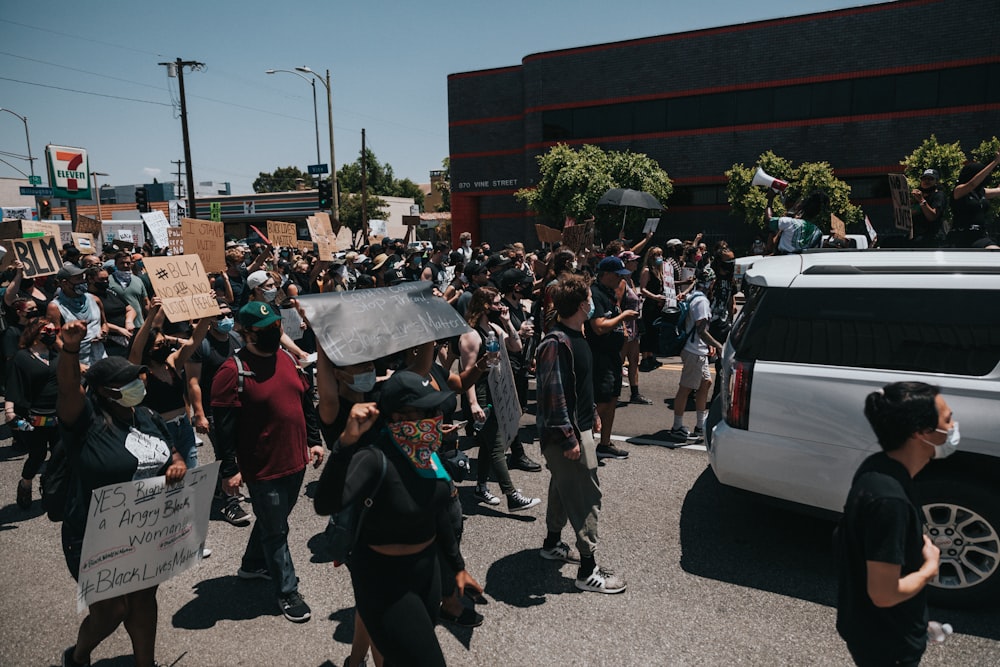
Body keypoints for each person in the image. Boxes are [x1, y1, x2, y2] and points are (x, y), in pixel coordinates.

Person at [314, 371, 484, 667]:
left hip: (426, 574)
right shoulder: (373, 458)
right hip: (384, 581)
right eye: (426, 412)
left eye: (434, 411)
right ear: (397, 417)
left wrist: (457, 567)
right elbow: (325, 502)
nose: (435, 418)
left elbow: (439, 514)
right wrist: (345, 442)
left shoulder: (425, 454)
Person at [56, 323, 187, 667]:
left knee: (143, 599)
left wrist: (177, 465)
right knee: (111, 609)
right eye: (127, 381)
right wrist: (70, 349)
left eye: (138, 377)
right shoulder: (84, 422)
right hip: (92, 534)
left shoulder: (146, 416)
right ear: (104, 391)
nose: (138, 384)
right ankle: (79, 655)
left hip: (142, 529)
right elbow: (69, 389)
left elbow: (169, 451)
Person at [211, 301, 325, 623]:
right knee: (277, 529)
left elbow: (305, 401)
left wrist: (314, 440)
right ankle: (287, 592)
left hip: (296, 461)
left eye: (276, 327)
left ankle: (252, 565)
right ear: (245, 333)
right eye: (265, 331)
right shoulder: (231, 372)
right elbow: (224, 430)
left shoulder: (287, 358)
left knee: (272, 519)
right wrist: (230, 470)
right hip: (262, 469)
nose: (274, 334)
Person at [836, 381, 953, 666]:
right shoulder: (890, 501)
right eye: (947, 420)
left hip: (873, 626)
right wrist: (929, 569)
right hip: (889, 644)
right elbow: (885, 594)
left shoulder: (879, 467)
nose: (953, 428)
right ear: (920, 433)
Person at [535, 273, 626, 594]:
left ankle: (551, 543)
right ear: (579, 305)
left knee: (562, 488)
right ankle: (588, 571)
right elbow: (554, 396)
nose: (593, 302)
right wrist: (570, 437)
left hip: (579, 428)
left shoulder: (577, 335)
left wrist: (593, 421)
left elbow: (579, 387)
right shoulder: (555, 343)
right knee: (588, 498)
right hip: (567, 436)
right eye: (588, 298)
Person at [460, 287, 541, 511]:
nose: (501, 306)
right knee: (496, 445)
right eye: (497, 303)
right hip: (483, 393)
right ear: (485, 306)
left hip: (500, 390)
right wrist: (474, 404)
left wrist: (507, 322)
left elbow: (517, 346)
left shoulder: (494, 327)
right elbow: (466, 374)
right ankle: (511, 495)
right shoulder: (471, 335)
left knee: (488, 444)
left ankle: (481, 487)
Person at [186, 299, 252, 526]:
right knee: (227, 454)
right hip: (214, 411)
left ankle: (216, 487)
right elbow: (193, 382)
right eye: (220, 316)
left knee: (237, 450)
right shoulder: (200, 345)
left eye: (228, 314)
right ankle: (229, 503)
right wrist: (199, 414)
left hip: (238, 407)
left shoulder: (235, 338)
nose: (226, 319)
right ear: (210, 320)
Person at [585, 256, 638, 461]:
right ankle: (585, 441)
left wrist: (622, 327)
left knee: (613, 398)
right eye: (617, 275)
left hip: (613, 356)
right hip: (599, 356)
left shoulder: (610, 293)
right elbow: (598, 326)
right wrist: (623, 317)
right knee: (602, 402)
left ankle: (604, 444)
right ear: (605, 274)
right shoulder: (595, 294)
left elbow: (613, 319)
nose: (620, 279)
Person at [6, 317, 60, 509]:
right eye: (48, 330)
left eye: (56, 330)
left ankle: (50, 486)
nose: (52, 334)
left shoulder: (56, 355)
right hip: (33, 416)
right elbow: (13, 385)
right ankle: (26, 483)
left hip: (58, 415)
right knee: (38, 454)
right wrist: (10, 411)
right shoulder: (21, 358)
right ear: (36, 332)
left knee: (59, 453)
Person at [666, 272, 723, 443]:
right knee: (686, 388)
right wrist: (719, 346)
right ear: (710, 283)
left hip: (697, 349)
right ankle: (677, 427)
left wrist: (710, 345)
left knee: (705, 383)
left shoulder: (694, 296)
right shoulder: (702, 302)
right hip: (694, 351)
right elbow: (701, 331)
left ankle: (700, 425)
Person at [47, 264, 108, 368]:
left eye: (82, 278)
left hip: (100, 358)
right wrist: (74, 361)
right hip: (77, 362)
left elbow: (104, 323)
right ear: (65, 283)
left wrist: (104, 332)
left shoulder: (95, 300)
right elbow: (55, 339)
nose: (83, 282)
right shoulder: (55, 307)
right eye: (78, 279)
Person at [618, 251, 651, 405]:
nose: (636, 263)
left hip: (634, 327)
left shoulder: (630, 280)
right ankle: (613, 393)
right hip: (625, 328)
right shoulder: (621, 282)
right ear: (625, 263)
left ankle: (635, 393)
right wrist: (623, 326)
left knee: (634, 361)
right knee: (619, 362)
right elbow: (617, 306)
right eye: (633, 261)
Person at [949, 150, 1000, 247]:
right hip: (961, 237)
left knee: (994, 251)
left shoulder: (981, 192)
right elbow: (972, 184)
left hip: (980, 236)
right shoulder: (959, 190)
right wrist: (995, 162)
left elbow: (998, 191)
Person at [89, 267, 136, 358]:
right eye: (101, 279)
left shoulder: (111, 292)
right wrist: (118, 329)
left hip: (127, 337)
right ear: (91, 279)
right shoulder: (89, 298)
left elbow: (130, 309)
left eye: (107, 279)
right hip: (110, 343)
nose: (105, 282)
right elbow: (97, 321)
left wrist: (129, 322)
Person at [637, 246, 669, 372]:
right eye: (656, 255)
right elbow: (643, 289)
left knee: (655, 332)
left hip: (658, 306)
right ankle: (645, 358)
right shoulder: (647, 270)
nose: (659, 257)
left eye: (660, 254)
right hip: (650, 304)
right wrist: (655, 297)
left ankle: (651, 356)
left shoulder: (659, 270)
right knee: (648, 331)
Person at [106, 251, 149, 327]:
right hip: (119, 328)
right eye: (122, 263)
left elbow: (145, 303)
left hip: (139, 325)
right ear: (115, 264)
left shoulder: (138, 280)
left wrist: (150, 321)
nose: (125, 265)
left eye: (128, 263)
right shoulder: (108, 281)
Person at [909, 169, 947, 247]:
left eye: (930, 179)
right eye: (924, 178)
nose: (927, 181)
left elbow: (932, 216)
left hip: (933, 239)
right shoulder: (916, 197)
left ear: (936, 181)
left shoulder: (939, 195)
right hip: (917, 237)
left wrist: (921, 200)